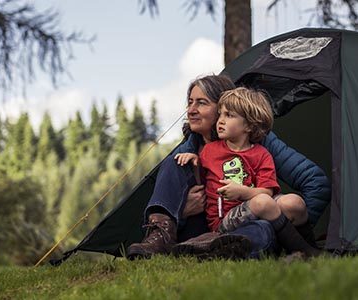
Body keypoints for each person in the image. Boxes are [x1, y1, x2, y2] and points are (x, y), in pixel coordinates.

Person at [126, 75, 330, 260]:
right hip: (204, 227)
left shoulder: (259, 144)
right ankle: (162, 240)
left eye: (202, 103)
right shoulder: (191, 152)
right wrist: (181, 211)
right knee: (174, 160)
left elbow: (316, 184)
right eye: (189, 103)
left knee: (262, 229)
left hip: (250, 222)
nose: (191, 110)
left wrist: (286, 232)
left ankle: (298, 249)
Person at [172, 87, 321, 257]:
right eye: (220, 114)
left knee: (295, 203)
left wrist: (242, 192)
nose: (220, 120)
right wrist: (193, 158)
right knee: (263, 202)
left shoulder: (261, 154)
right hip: (224, 220)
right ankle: (303, 250)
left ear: (249, 125)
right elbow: (200, 180)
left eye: (229, 115)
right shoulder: (209, 151)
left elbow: (267, 191)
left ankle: (310, 246)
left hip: (257, 209)